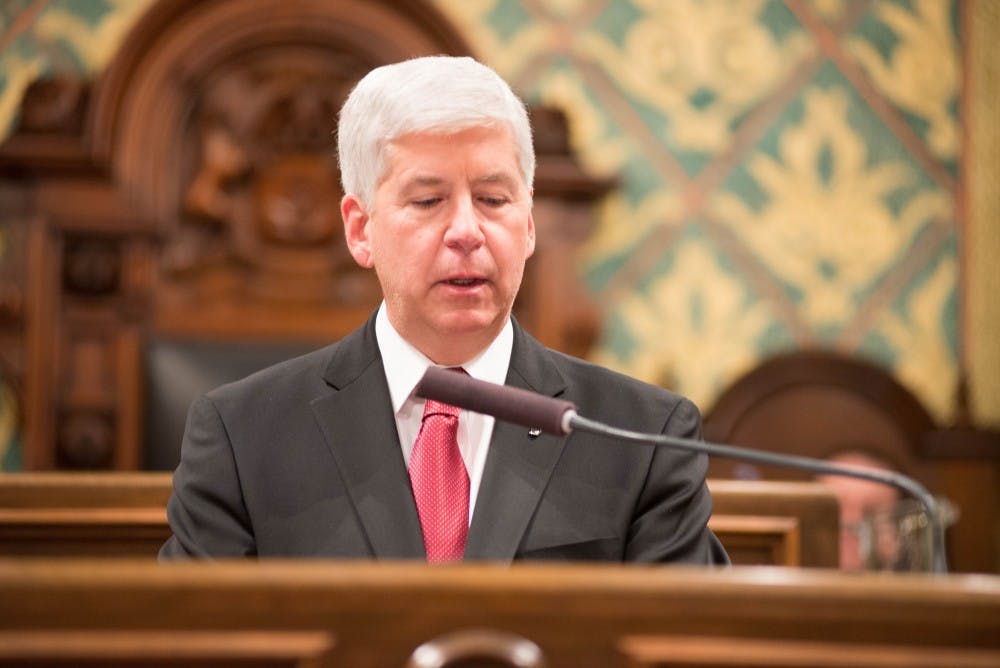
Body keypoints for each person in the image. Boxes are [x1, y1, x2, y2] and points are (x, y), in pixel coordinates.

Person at [160, 55, 728, 564]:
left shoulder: (642, 437)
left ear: (527, 225)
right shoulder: (242, 436)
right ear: (360, 230)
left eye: (493, 200)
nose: (466, 231)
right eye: (429, 200)